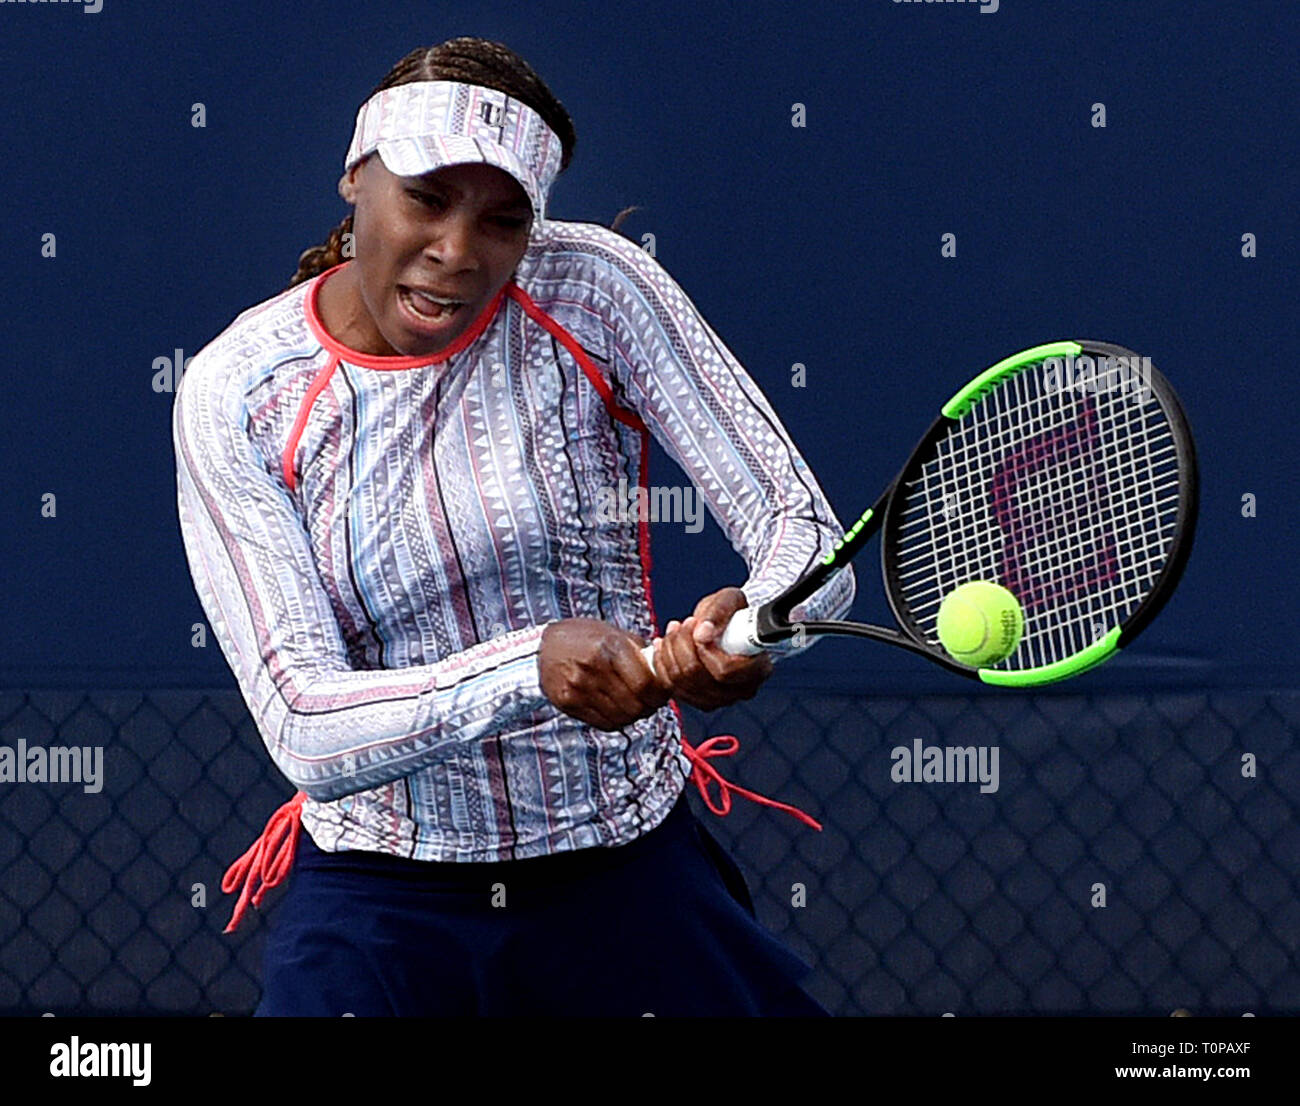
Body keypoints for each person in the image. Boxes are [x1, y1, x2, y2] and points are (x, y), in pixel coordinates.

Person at [173, 36, 854, 1017]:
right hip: (381, 894)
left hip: (622, 869)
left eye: (501, 218)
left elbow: (807, 539)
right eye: (426, 198)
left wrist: (757, 624)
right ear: (356, 179)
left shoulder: (595, 290)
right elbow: (304, 723)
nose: (456, 250)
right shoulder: (237, 392)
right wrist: (526, 666)